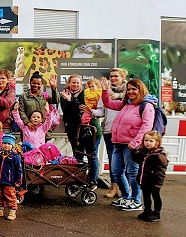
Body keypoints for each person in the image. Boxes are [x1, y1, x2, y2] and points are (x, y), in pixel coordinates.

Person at [102, 77, 154, 212]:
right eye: (128, 89)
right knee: (117, 172)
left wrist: (135, 142)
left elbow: (146, 126)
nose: (130, 92)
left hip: (131, 146)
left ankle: (136, 201)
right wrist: (104, 90)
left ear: (140, 90)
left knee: (132, 173)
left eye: (134, 89)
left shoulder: (146, 105)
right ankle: (126, 197)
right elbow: (108, 103)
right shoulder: (127, 103)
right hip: (118, 144)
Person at [94, 68, 128, 199]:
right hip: (109, 130)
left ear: (122, 78)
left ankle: (125, 188)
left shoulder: (129, 92)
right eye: (111, 76)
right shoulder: (105, 92)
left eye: (116, 76)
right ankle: (114, 186)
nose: (113, 79)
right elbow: (101, 111)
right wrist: (90, 112)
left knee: (126, 161)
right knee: (113, 159)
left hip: (124, 132)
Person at [131, 131, 168, 222]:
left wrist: (159, 182)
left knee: (156, 196)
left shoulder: (159, 155)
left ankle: (156, 213)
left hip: (154, 181)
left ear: (157, 142)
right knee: (146, 196)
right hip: (144, 179)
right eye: (146, 140)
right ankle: (147, 211)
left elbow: (161, 171)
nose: (148, 143)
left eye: (151, 141)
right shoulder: (144, 153)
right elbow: (137, 160)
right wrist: (133, 152)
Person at [0, 134, 23, 220]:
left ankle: (12, 211)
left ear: (12, 145)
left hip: (9, 181)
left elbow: (19, 170)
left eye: (9, 144)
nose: (6, 145)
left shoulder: (14, 156)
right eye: (4, 143)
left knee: (10, 196)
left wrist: (18, 180)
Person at [59, 74, 86, 159]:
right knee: (75, 149)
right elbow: (66, 111)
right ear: (68, 84)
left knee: (84, 151)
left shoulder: (85, 94)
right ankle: (78, 170)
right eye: (73, 82)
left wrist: (71, 100)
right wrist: (71, 102)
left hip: (83, 125)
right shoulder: (63, 95)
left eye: (78, 83)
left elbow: (81, 109)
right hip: (71, 126)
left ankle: (85, 170)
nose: (75, 85)